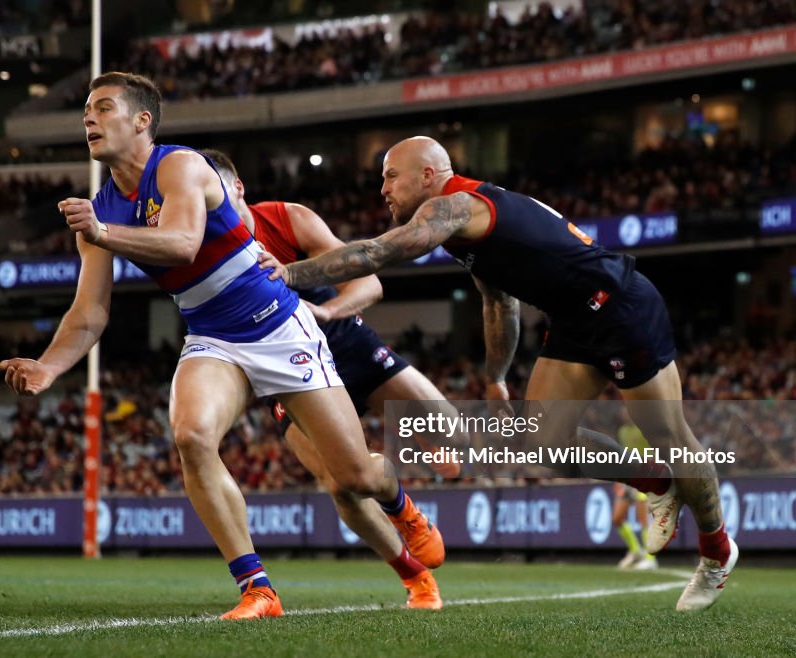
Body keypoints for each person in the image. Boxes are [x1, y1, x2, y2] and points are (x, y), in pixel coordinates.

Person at [0, 74, 444, 620]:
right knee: (191, 435)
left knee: (353, 476)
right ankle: (258, 589)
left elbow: (184, 244)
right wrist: (48, 366)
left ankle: (401, 506)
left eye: (103, 108)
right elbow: (90, 312)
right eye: (85, 110)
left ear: (142, 121)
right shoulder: (100, 209)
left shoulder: (180, 166)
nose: (88, 118)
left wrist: (103, 233)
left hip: (280, 327)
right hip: (212, 336)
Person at [264, 135, 736, 613]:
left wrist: (290, 274)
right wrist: (495, 378)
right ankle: (657, 483)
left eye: (390, 176)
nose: (382, 189)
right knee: (545, 443)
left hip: (619, 307)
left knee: (671, 436)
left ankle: (716, 554)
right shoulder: (464, 229)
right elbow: (499, 303)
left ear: (428, 175)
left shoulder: (455, 207)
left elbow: (378, 254)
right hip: (574, 319)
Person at [203, 148, 461, 609]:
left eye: (211, 193)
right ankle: (415, 571)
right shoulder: (202, 249)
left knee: (452, 434)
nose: (206, 206)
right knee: (341, 483)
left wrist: (324, 311)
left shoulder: (287, 219)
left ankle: (409, 467)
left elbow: (369, 284)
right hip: (288, 367)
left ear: (237, 188)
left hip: (345, 341)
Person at [614, 414, 657, 571]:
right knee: (617, 518)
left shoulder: (645, 429)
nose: (625, 414)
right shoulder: (622, 431)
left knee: (643, 519)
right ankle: (636, 551)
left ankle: (650, 558)